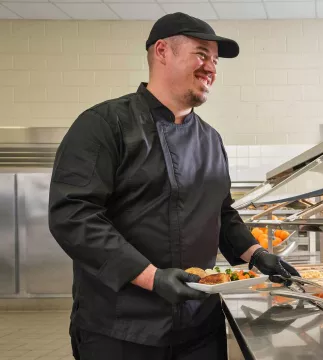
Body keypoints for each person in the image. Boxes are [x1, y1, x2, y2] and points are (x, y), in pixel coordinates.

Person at [48, 12, 300, 360]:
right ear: (162, 51)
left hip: (199, 325)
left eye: (214, 60)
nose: (211, 67)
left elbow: (222, 214)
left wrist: (256, 255)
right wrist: (151, 277)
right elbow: (73, 216)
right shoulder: (104, 125)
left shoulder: (210, 140)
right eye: (201, 54)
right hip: (121, 328)